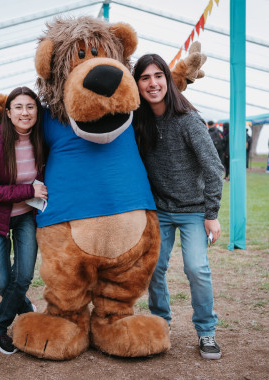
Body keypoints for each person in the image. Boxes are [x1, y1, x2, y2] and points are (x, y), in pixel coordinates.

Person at [132, 54, 224, 360]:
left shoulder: (188, 120)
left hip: (195, 210)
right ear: (138, 84)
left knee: (196, 268)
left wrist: (211, 215)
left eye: (158, 75)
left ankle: (206, 331)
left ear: (168, 80)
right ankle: (161, 323)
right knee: (154, 268)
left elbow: (213, 168)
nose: (152, 83)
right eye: (144, 78)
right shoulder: (138, 123)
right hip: (160, 210)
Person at [0, 86, 46, 354]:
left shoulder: (42, 141)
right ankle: (27, 310)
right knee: (2, 281)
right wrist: (27, 190)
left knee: (24, 275)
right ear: (8, 112)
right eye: (18, 107)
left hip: (26, 217)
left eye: (30, 107)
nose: (25, 112)